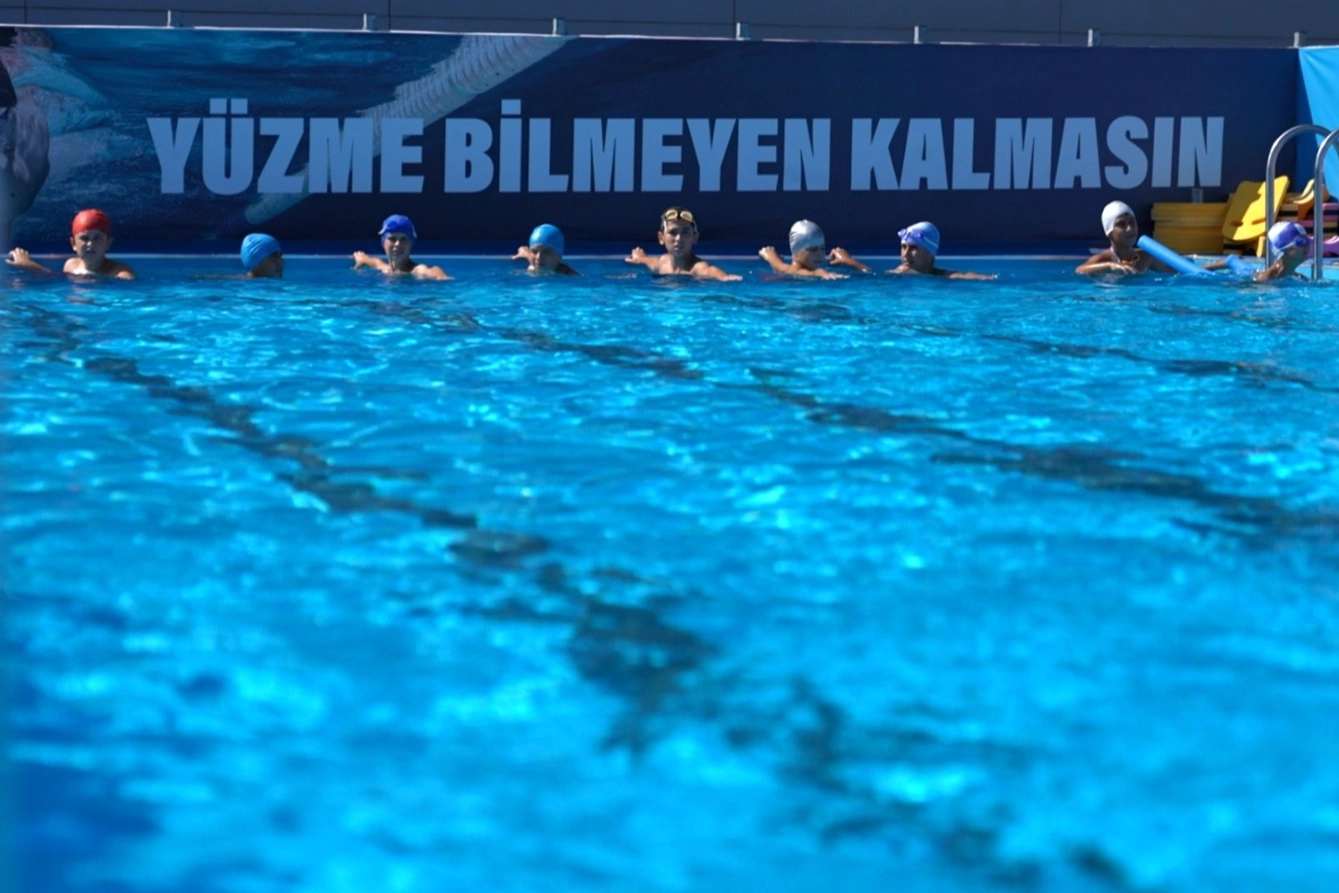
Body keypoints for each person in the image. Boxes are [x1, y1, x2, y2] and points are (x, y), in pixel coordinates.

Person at [6, 208, 135, 278]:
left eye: (97, 238)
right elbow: (55, 280)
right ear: (73, 243)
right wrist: (28, 265)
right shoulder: (71, 266)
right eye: (84, 238)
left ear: (108, 243)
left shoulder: (120, 274)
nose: (90, 244)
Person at [625, 206, 741, 281]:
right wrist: (640, 258)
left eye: (685, 233)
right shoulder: (661, 264)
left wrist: (726, 278)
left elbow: (719, 275)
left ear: (695, 238)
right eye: (673, 232)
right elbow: (645, 260)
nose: (679, 238)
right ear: (661, 238)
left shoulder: (699, 269)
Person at [1075, 201, 1176, 275]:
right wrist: (1110, 266)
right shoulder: (1103, 259)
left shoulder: (1146, 258)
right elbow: (1079, 270)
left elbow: (1174, 273)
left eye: (1132, 222)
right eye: (1121, 224)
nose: (1129, 228)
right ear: (1109, 232)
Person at [758, 220, 869, 279]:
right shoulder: (798, 272)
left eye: (822, 248)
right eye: (813, 250)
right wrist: (849, 261)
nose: (819, 254)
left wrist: (769, 255)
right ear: (796, 252)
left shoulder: (785, 268)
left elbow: (777, 263)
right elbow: (814, 273)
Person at [352, 214, 448, 279]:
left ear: (411, 244)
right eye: (392, 239)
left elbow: (434, 271)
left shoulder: (418, 271)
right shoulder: (383, 267)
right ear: (383, 243)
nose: (397, 244)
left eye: (403, 239)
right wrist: (361, 259)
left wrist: (439, 274)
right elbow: (372, 261)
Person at [890, 221, 993, 280]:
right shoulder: (893, 276)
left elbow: (965, 276)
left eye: (913, 248)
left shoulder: (943, 276)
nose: (905, 254)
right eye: (903, 247)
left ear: (930, 253)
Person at [513, 223, 578, 275]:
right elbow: (524, 250)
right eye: (534, 251)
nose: (538, 257)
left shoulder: (568, 274)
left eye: (546, 252)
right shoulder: (532, 263)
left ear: (559, 255)